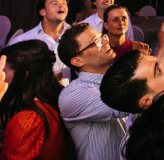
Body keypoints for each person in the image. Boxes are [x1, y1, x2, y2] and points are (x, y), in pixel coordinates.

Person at [56, 23, 130, 160]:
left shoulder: (118, 76)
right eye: (97, 41)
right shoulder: (73, 94)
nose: (106, 41)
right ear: (78, 60)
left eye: (102, 37)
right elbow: (124, 103)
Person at [0, 40, 69, 160]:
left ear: (25, 76)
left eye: (3, 71)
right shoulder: (58, 95)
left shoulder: (28, 118)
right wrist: (1, 146)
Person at [8, 0, 71, 83]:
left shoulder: (76, 36)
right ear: (42, 12)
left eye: (64, 3)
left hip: (68, 94)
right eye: (54, 3)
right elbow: (11, 75)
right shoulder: (23, 41)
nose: (61, 6)